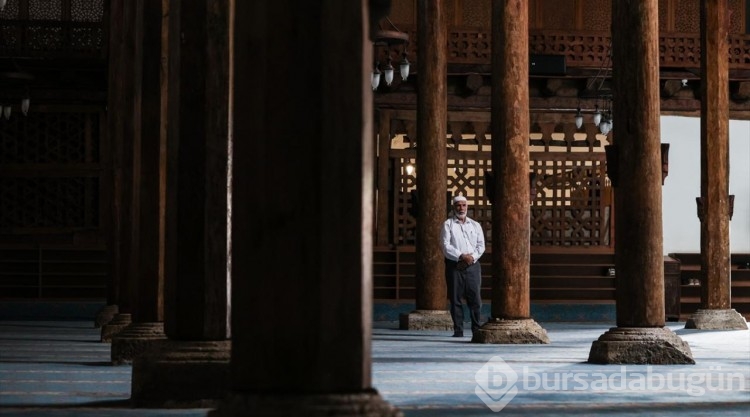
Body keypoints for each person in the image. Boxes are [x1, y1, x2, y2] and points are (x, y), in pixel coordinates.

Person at [440, 195, 485, 337]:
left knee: (475, 299)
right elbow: (445, 246)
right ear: (454, 207)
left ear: (467, 206)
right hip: (455, 265)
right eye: (458, 205)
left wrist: (472, 257)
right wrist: (461, 256)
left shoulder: (475, 225)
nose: (461, 208)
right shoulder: (448, 224)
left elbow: (481, 246)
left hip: (473, 265)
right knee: (455, 299)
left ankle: (476, 329)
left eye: (464, 205)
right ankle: (458, 330)